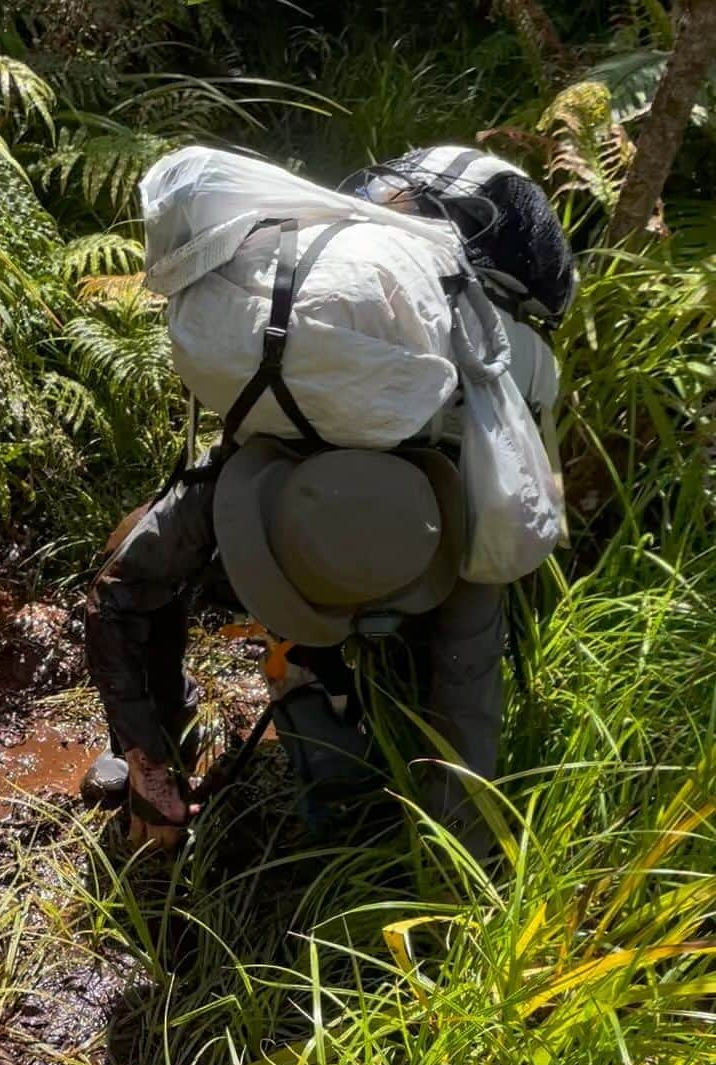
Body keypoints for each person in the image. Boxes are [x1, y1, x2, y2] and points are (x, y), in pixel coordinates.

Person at [83, 147, 574, 854]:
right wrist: (147, 763)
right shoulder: (255, 456)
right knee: (427, 669)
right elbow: (122, 594)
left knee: (373, 668)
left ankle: (319, 691)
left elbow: (120, 595)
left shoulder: (474, 507)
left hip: (396, 500)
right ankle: (272, 704)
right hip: (368, 499)